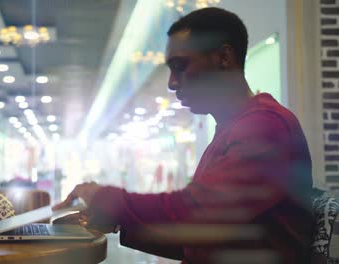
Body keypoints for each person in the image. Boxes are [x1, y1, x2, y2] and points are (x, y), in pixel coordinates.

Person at [54, 7, 312, 264]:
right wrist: (115, 219)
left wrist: (107, 199)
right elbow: (203, 235)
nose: (172, 83)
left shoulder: (267, 126)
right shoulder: (236, 126)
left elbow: (199, 212)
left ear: (224, 57)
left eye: (180, 66)